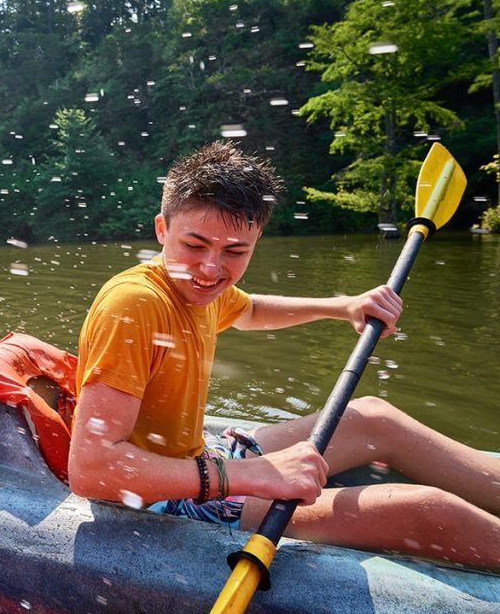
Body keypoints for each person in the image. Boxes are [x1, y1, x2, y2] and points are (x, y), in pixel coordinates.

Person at [68, 141, 500, 569]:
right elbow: (91, 469)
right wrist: (249, 476)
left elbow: (250, 309)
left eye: (236, 251)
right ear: (162, 229)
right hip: (164, 500)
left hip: (202, 454)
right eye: (194, 246)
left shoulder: (199, 289)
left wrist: (344, 305)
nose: (212, 269)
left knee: (373, 417)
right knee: (425, 511)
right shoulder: (135, 304)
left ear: (256, 239)